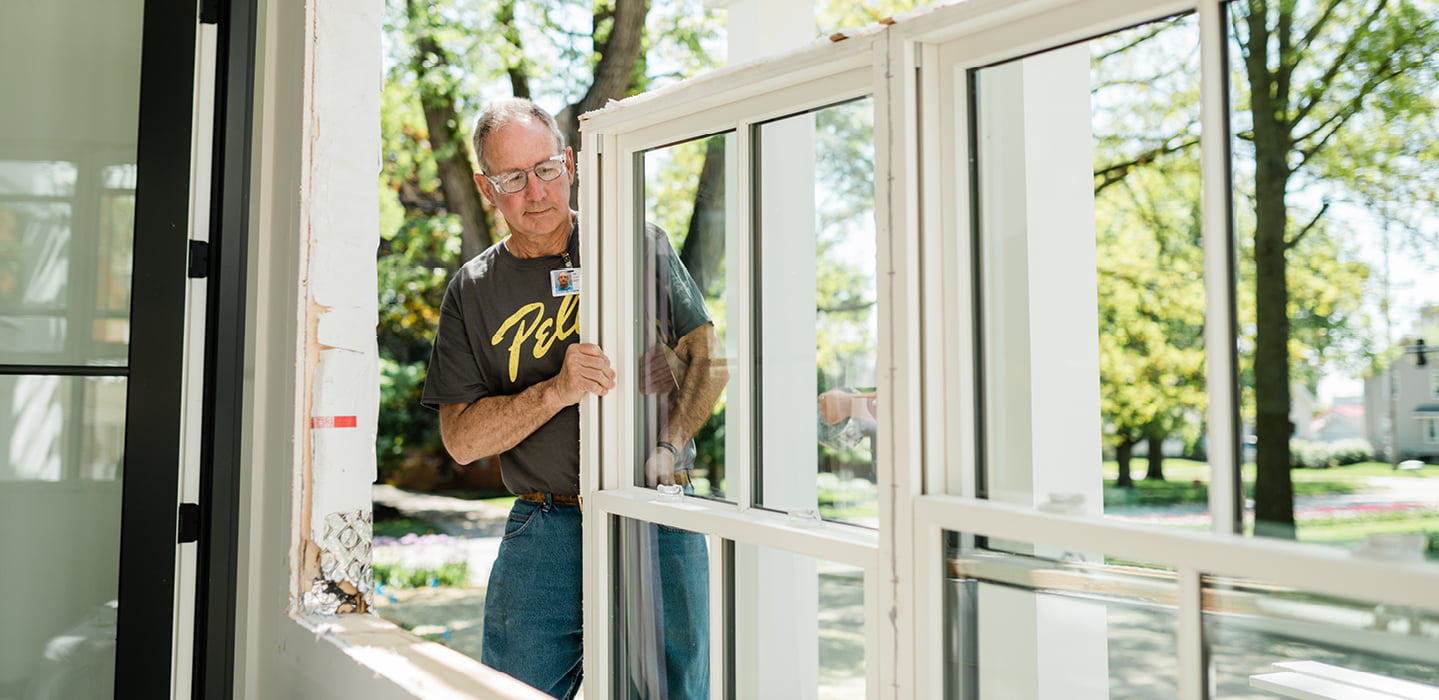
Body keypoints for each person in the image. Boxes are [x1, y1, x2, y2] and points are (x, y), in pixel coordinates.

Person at [421, 97, 725, 699]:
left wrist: (669, 445)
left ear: (570, 163)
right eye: (511, 178)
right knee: (513, 692)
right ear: (486, 188)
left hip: (654, 512)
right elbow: (461, 441)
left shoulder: (637, 243)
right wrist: (556, 390)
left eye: (545, 169)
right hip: (545, 524)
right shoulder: (473, 290)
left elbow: (707, 360)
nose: (535, 192)